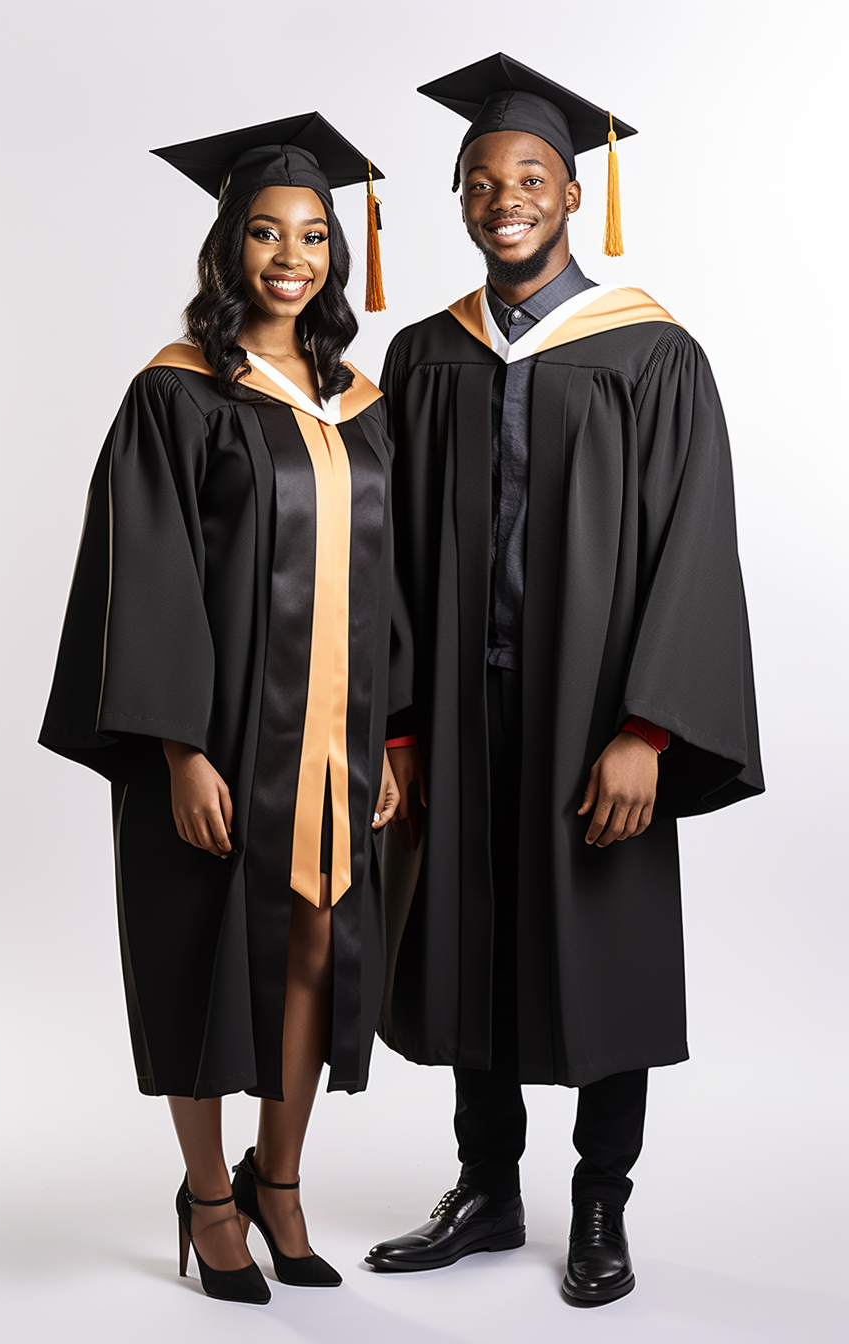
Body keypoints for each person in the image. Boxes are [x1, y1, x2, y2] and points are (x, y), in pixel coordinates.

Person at [367, 53, 764, 1304]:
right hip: (458, 714)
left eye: (530, 175)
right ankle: (487, 1190)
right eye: (482, 181)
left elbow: (691, 546)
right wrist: (398, 724)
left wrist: (648, 728)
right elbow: (383, 555)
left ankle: (600, 1203)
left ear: (571, 194)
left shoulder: (651, 354)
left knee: (599, 945)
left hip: (594, 716)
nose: (506, 198)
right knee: (464, 938)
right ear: (460, 200)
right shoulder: (423, 358)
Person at [40, 112, 411, 1305]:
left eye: (312, 235)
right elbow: (141, 575)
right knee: (203, 961)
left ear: (334, 260)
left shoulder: (359, 399)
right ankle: (209, 1196)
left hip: (335, 746)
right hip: (212, 749)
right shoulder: (177, 392)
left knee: (316, 947)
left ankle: (282, 1181)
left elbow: (388, 574)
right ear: (226, 247)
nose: (289, 255)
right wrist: (180, 750)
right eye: (264, 231)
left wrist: (391, 729)